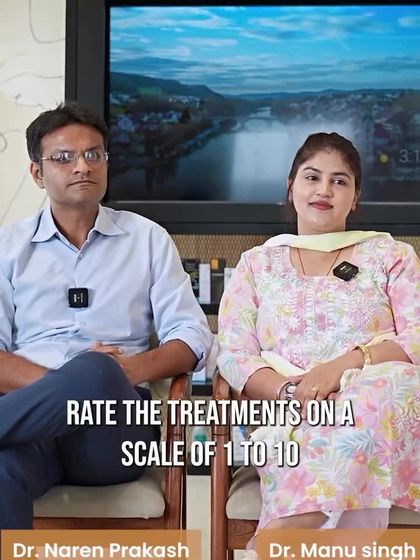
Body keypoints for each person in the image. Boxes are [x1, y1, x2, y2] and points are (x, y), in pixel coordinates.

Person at [0, 102, 213, 529]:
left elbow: (193, 337)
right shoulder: (8, 247)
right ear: (38, 173)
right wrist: (70, 387)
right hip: (32, 428)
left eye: (93, 154)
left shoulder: (147, 238)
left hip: (112, 435)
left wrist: (118, 374)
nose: (82, 166)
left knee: (97, 369)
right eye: (64, 157)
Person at [217, 132, 419, 558]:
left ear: (355, 197)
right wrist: (293, 392)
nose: (324, 190)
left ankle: (290, 528)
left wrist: (343, 368)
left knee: (383, 386)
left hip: (378, 404)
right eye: (312, 177)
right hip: (289, 409)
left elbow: (417, 336)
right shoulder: (257, 264)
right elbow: (234, 354)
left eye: (339, 181)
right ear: (291, 187)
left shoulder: (390, 256)